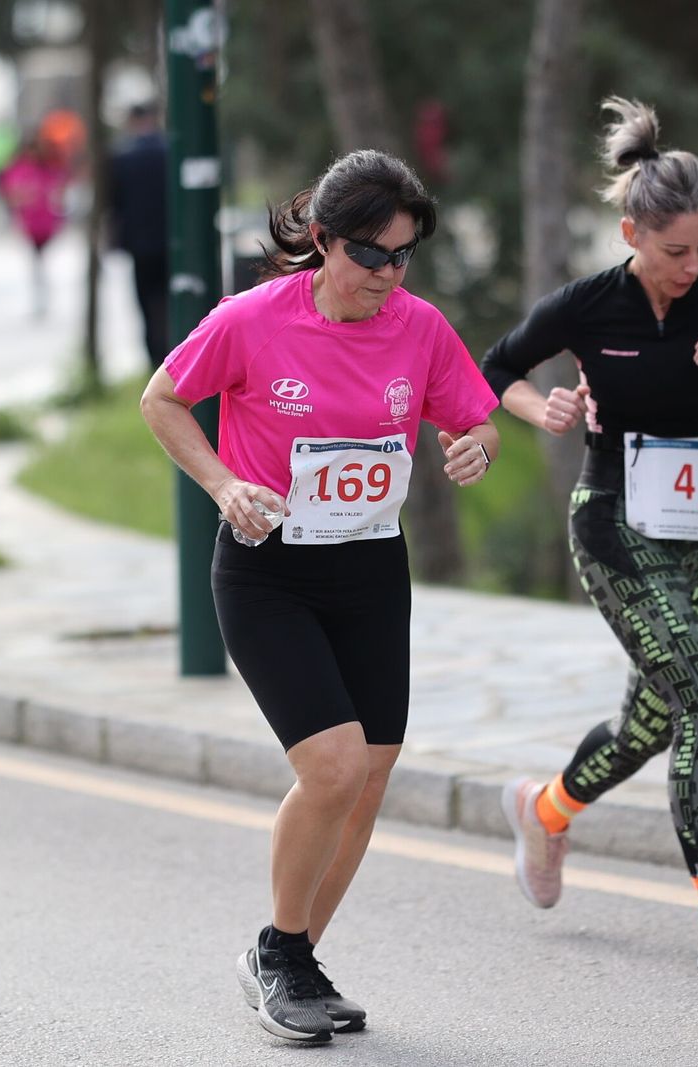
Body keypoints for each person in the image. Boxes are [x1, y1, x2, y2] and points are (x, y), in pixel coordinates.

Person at [140, 149, 500, 1042]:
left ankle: (295, 959)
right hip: (269, 572)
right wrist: (225, 486)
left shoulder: (419, 327)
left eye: (404, 254)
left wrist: (476, 446)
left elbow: (475, 415)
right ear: (324, 240)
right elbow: (162, 400)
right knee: (332, 766)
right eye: (371, 254)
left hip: (372, 569)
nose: (388, 274)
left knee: (370, 778)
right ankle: (276, 951)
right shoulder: (253, 320)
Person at [481, 98, 698, 978]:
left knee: (654, 719)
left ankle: (544, 810)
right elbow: (494, 369)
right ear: (631, 232)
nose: (690, 266)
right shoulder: (588, 306)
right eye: (674, 251)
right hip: (614, 521)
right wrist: (539, 405)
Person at [107, 102, 167, 369]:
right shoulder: (170, 152)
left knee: (145, 303)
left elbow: (115, 203)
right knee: (169, 299)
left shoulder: (122, 157)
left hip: (139, 245)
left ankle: (154, 357)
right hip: (169, 242)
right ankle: (172, 352)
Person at [0, 133, 70, 318]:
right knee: (36, 264)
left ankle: (43, 299)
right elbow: (9, 193)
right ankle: (39, 300)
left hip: (47, 224)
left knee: (42, 263)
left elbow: (60, 190)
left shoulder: (49, 169)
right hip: (29, 225)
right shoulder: (16, 169)